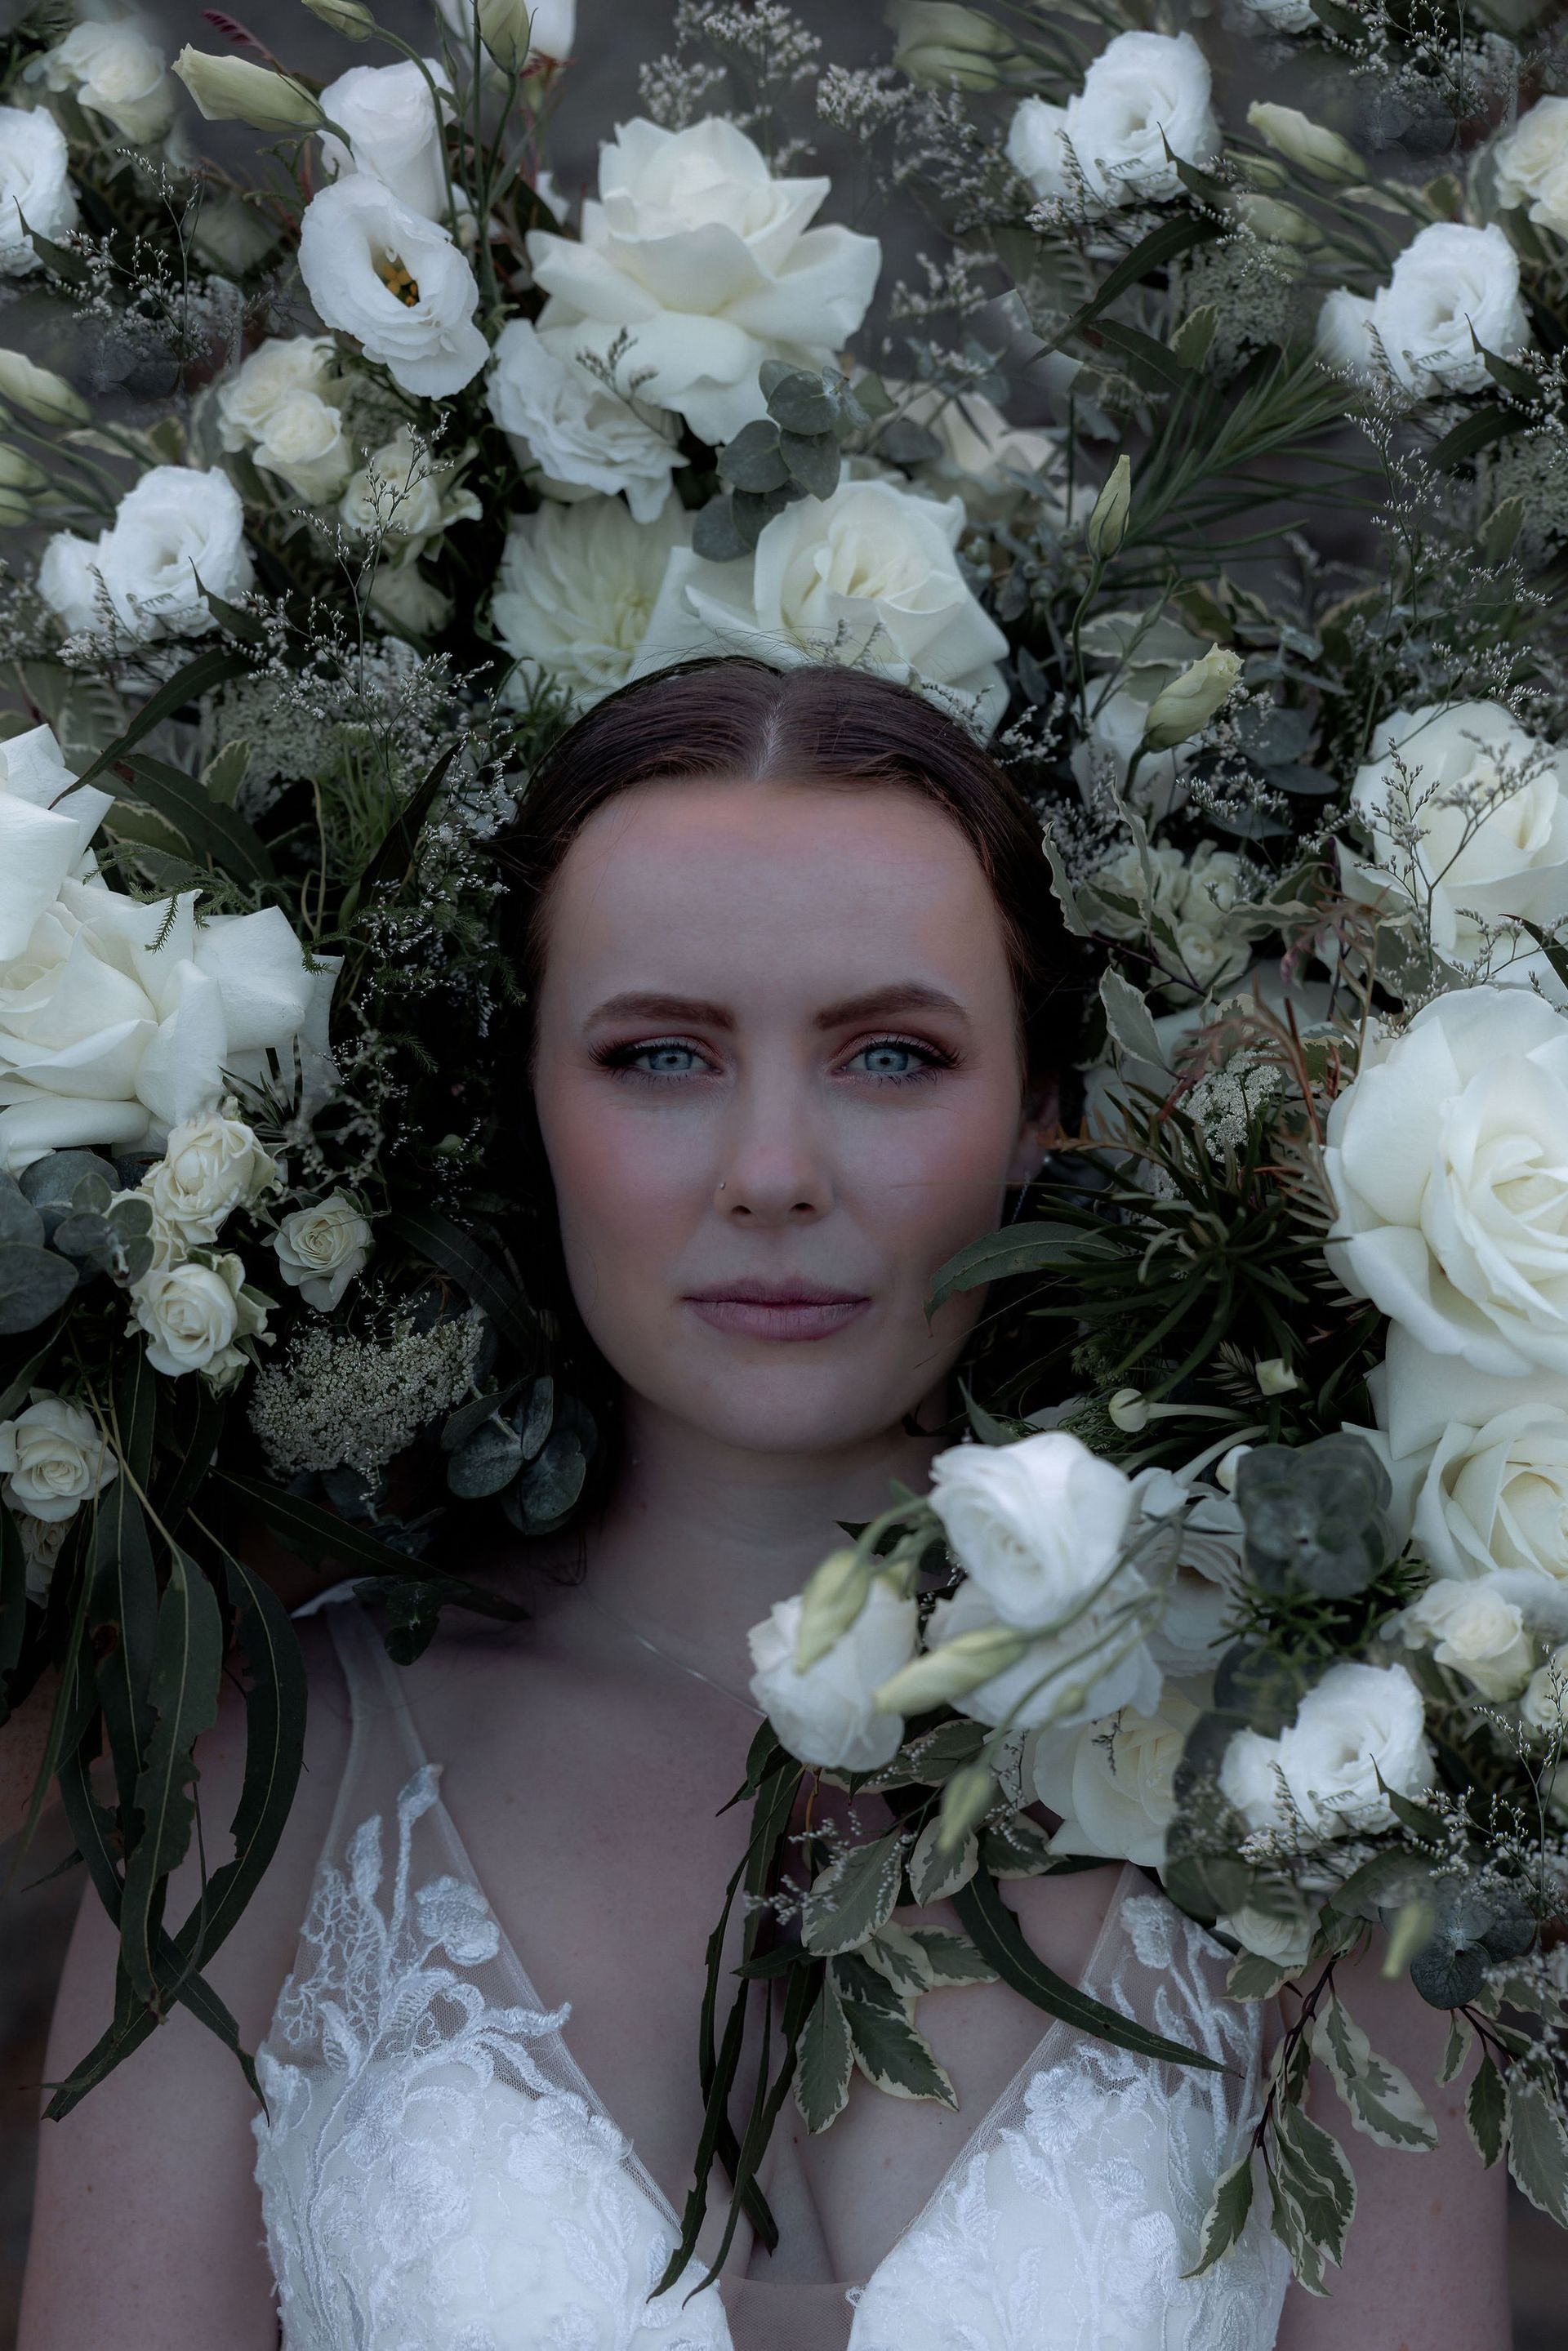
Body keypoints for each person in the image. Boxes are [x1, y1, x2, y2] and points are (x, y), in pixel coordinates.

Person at [19, 659, 1507, 2351]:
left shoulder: (1321, 1787)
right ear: (528, 1103)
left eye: (890, 1054)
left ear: (1043, 1110)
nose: (775, 1169)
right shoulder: (262, 1768)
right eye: (662, 1054)